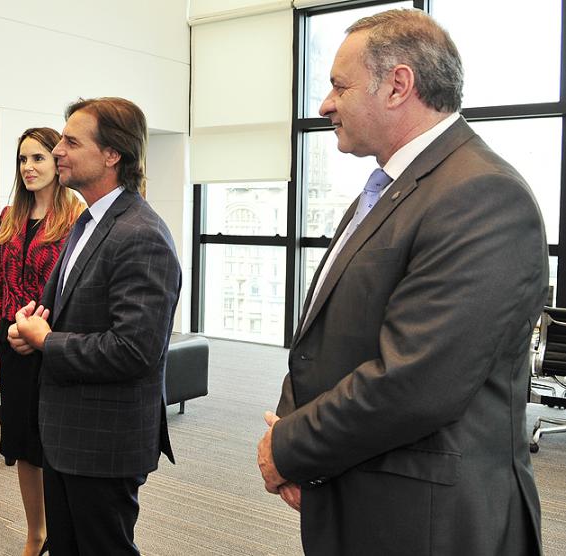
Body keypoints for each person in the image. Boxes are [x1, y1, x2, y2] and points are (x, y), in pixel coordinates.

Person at [255, 9, 547, 555]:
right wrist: (299, 440)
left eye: (339, 86)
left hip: (428, 521)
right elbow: (329, 336)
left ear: (398, 85)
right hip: (364, 490)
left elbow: (416, 382)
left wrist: (289, 447)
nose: (324, 105)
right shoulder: (391, 185)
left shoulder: (481, 195)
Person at [10, 98, 181, 555]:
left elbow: (135, 349)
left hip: (104, 441)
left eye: (70, 141)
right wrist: (27, 331)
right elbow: (56, 311)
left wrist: (48, 341)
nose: (58, 150)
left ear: (112, 155)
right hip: (65, 434)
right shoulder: (87, 221)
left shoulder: (140, 233)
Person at [0, 127, 84, 556]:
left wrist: (39, 334)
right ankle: (35, 533)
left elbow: (75, 292)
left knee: (55, 447)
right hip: (12, 345)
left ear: (57, 161)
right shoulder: (10, 216)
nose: (29, 167)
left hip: (51, 345)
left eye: (38, 158)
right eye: (23, 160)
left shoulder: (77, 216)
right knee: (23, 446)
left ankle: (63, 535)